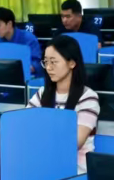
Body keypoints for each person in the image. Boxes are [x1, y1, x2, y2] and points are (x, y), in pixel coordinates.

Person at [29, 35, 101, 171]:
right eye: (45, 62)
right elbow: (25, 127)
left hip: (76, 170)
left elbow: (74, 143)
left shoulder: (88, 97)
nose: (48, 67)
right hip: (45, 165)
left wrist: (39, 136)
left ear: (71, 63)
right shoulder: (42, 93)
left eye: (53, 62)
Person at [0, 6, 42, 75]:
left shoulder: (28, 38)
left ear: (9, 24)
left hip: (26, 76)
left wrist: (23, 69)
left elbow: (37, 62)